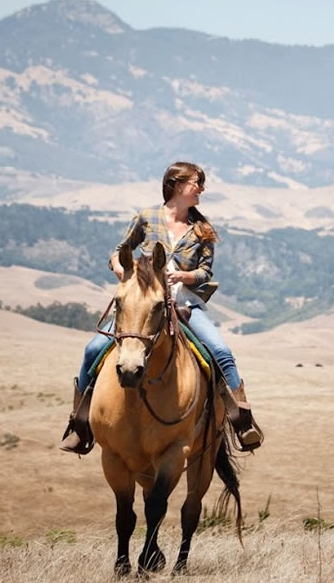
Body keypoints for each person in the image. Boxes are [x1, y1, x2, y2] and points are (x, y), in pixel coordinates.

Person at [60, 161, 263, 454]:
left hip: (185, 305)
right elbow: (120, 250)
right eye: (197, 183)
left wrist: (184, 276)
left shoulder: (203, 229)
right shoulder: (147, 217)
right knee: (93, 350)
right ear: (177, 185)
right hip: (144, 306)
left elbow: (206, 273)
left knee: (221, 352)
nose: (202, 189)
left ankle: (242, 422)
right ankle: (79, 424)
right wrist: (121, 270)